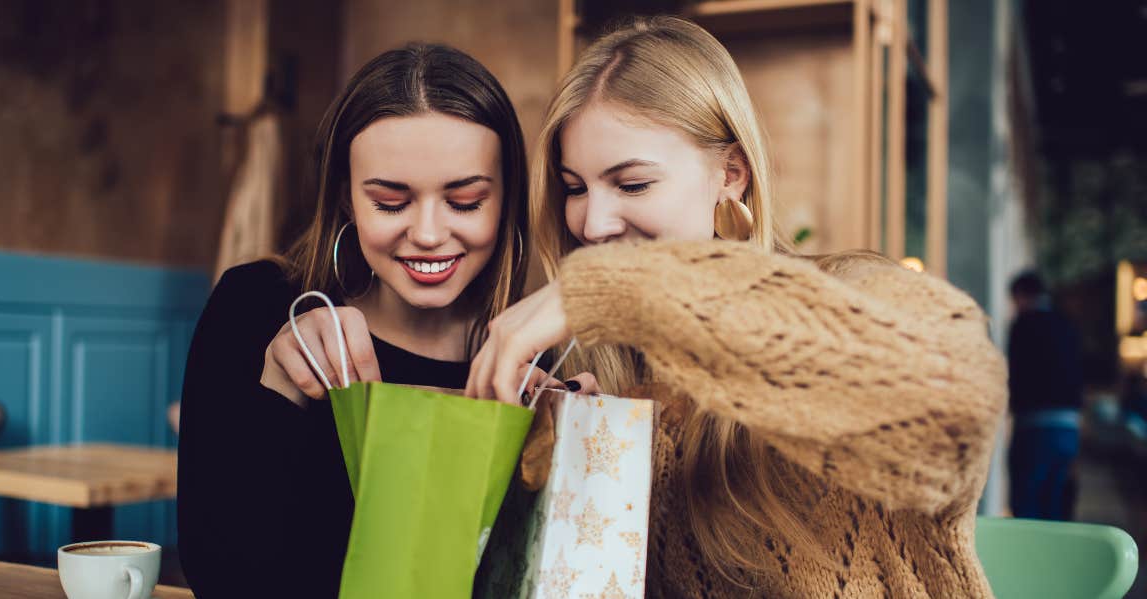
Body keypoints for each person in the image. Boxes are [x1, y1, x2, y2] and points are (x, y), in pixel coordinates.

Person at [466, 17, 1007, 598]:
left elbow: (958, 396)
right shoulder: (607, 374)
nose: (592, 224)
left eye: (632, 185)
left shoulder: (851, 292)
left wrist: (623, 289)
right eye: (575, 188)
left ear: (730, 175)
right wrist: (555, 464)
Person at [178, 43, 544, 598]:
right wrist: (280, 392)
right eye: (391, 202)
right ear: (348, 198)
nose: (427, 233)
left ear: (505, 201)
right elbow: (219, 573)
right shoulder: (252, 305)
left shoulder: (532, 358)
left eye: (465, 201)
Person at [1006, 270, 1083, 521]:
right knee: (1056, 504)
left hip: (1034, 426)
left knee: (1026, 504)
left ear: (1021, 296)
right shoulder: (1067, 324)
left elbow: (1016, 372)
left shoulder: (1024, 324)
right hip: (1068, 428)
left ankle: (1025, 558)